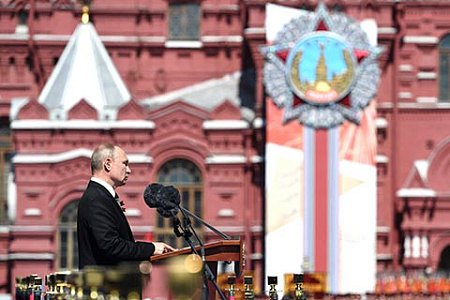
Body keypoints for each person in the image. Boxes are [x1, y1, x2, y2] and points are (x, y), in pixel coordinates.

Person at [77, 143, 175, 269]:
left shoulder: (101, 196)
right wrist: (152, 248)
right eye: (125, 163)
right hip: (103, 284)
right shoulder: (97, 199)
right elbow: (111, 246)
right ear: (107, 164)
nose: (129, 170)